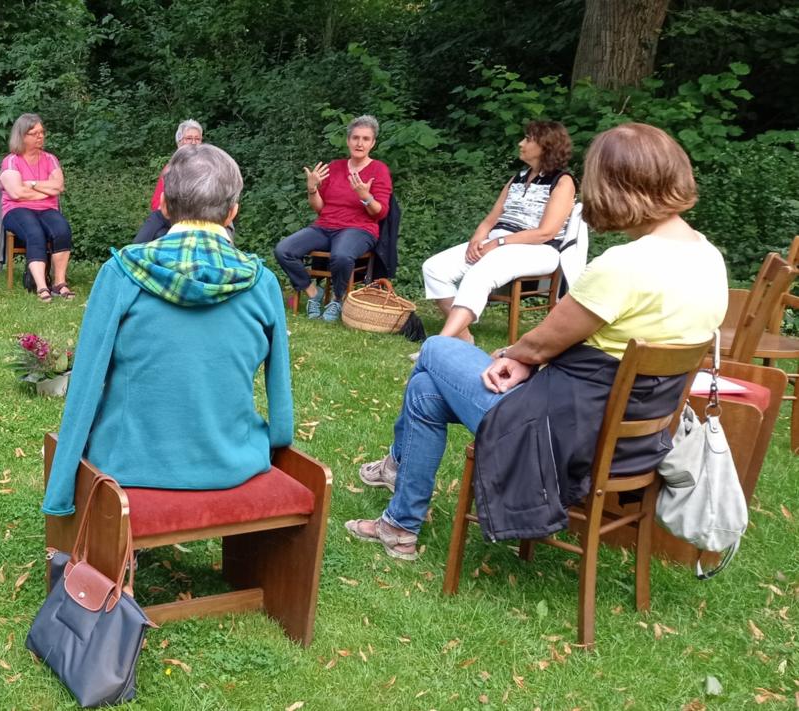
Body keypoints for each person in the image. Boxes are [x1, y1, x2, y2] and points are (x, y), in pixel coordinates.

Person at [345, 123, 728, 561]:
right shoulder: (708, 257)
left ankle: (396, 471)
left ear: (616, 187)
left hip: (560, 437)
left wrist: (515, 355)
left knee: (434, 351)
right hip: (635, 440)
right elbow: (555, 347)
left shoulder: (625, 266)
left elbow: (542, 342)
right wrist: (527, 357)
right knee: (426, 392)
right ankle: (399, 526)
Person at [43, 144, 292, 515]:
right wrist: (276, 440)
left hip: (127, 463)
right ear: (233, 211)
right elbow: (280, 394)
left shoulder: (122, 273)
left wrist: (60, 495)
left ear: (164, 207)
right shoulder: (262, 283)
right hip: (235, 462)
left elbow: (85, 384)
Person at [420, 121, 576, 346]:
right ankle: (464, 338)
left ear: (546, 146)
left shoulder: (563, 181)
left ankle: (439, 343)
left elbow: (546, 232)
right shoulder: (517, 178)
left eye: (528, 139)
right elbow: (491, 219)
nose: (521, 143)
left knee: (481, 271)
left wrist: (499, 242)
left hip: (538, 249)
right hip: (498, 242)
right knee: (434, 268)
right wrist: (477, 239)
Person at [274, 115, 393, 321]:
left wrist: (366, 197)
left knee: (341, 255)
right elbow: (320, 208)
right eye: (355, 137)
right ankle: (313, 292)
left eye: (365, 139)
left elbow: (380, 212)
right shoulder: (336, 167)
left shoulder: (379, 170)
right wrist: (312, 189)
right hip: (325, 226)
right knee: (284, 250)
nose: (359, 143)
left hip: (360, 229)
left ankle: (338, 299)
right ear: (348, 140)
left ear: (373, 143)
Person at [0, 113, 73, 302]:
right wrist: (44, 189)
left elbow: (58, 187)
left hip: (47, 209)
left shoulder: (50, 159)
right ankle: (41, 286)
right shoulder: (11, 161)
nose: (40, 136)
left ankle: (59, 283)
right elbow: (16, 194)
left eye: (42, 132)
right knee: (34, 232)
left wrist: (29, 184)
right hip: (16, 210)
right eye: (34, 133)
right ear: (22, 136)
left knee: (62, 230)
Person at [133, 119, 203, 244]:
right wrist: (164, 208)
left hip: (194, 216)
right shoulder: (170, 167)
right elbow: (156, 201)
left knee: (156, 222)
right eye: (189, 138)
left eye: (197, 139)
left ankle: (130, 254)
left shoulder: (206, 166)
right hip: (170, 214)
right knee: (159, 232)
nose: (193, 142)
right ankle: (134, 252)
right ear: (179, 142)